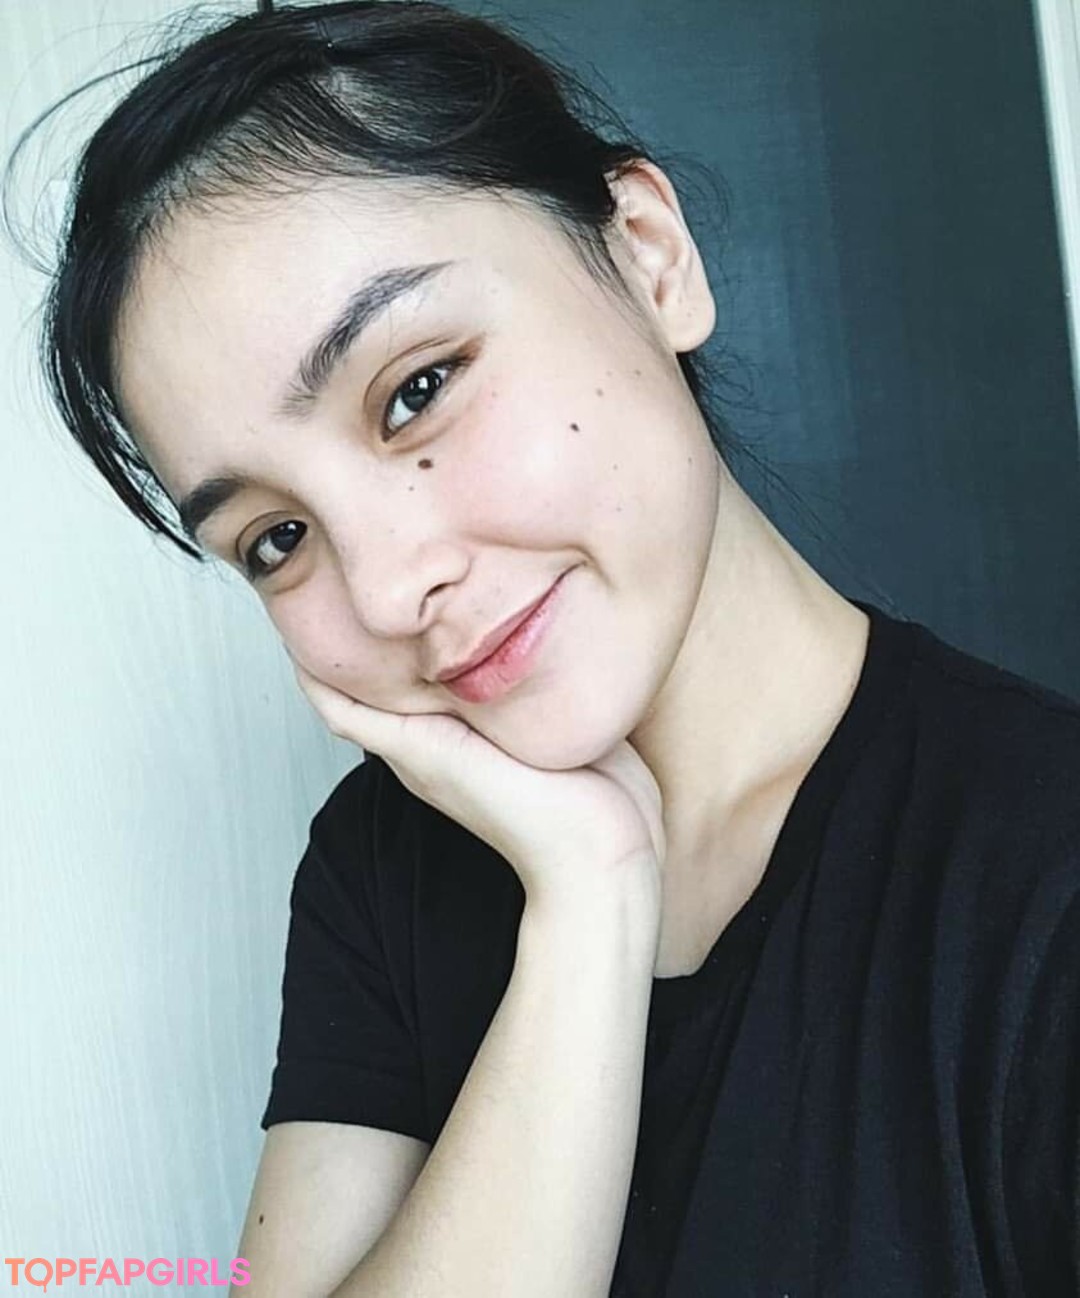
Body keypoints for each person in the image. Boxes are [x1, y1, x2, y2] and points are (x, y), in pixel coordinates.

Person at [25, 1, 1080, 1293]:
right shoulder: (382, 872)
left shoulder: (1043, 880)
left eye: (416, 390)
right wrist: (590, 897)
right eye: (278, 538)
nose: (391, 588)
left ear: (649, 258)